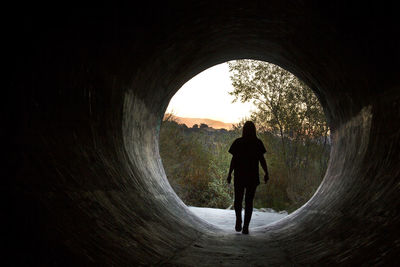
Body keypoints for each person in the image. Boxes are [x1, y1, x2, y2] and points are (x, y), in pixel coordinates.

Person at [227, 121, 269, 234]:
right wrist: (266, 173)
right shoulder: (258, 143)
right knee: (249, 201)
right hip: (252, 177)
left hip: (239, 176)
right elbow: (262, 160)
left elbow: (233, 160)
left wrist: (229, 174)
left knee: (238, 200)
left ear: (243, 130)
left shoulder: (238, 142)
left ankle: (238, 221)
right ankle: (245, 226)